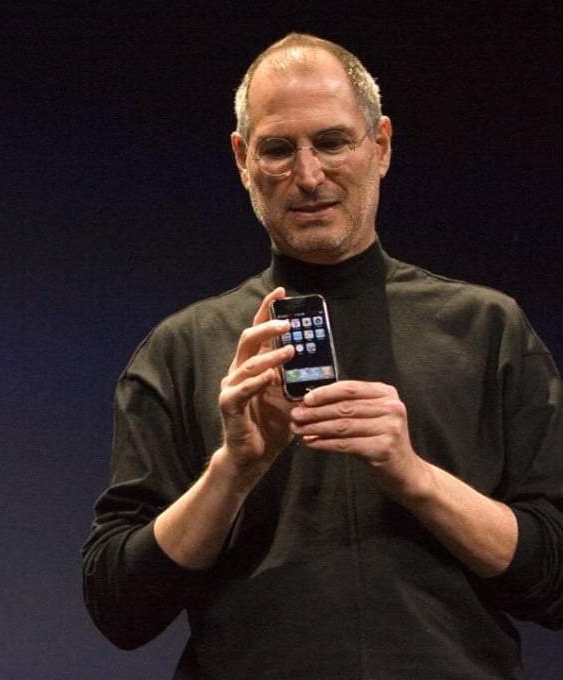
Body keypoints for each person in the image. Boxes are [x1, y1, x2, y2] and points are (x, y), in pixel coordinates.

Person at [81, 33, 563, 679]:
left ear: (381, 146)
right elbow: (118, 607)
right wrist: (233, 470)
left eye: (332, 142)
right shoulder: (181, 350)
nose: (308, 177)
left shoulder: (486, 329)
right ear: (242, 159)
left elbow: (554, 576)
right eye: (278, 149)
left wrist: (414, 477)